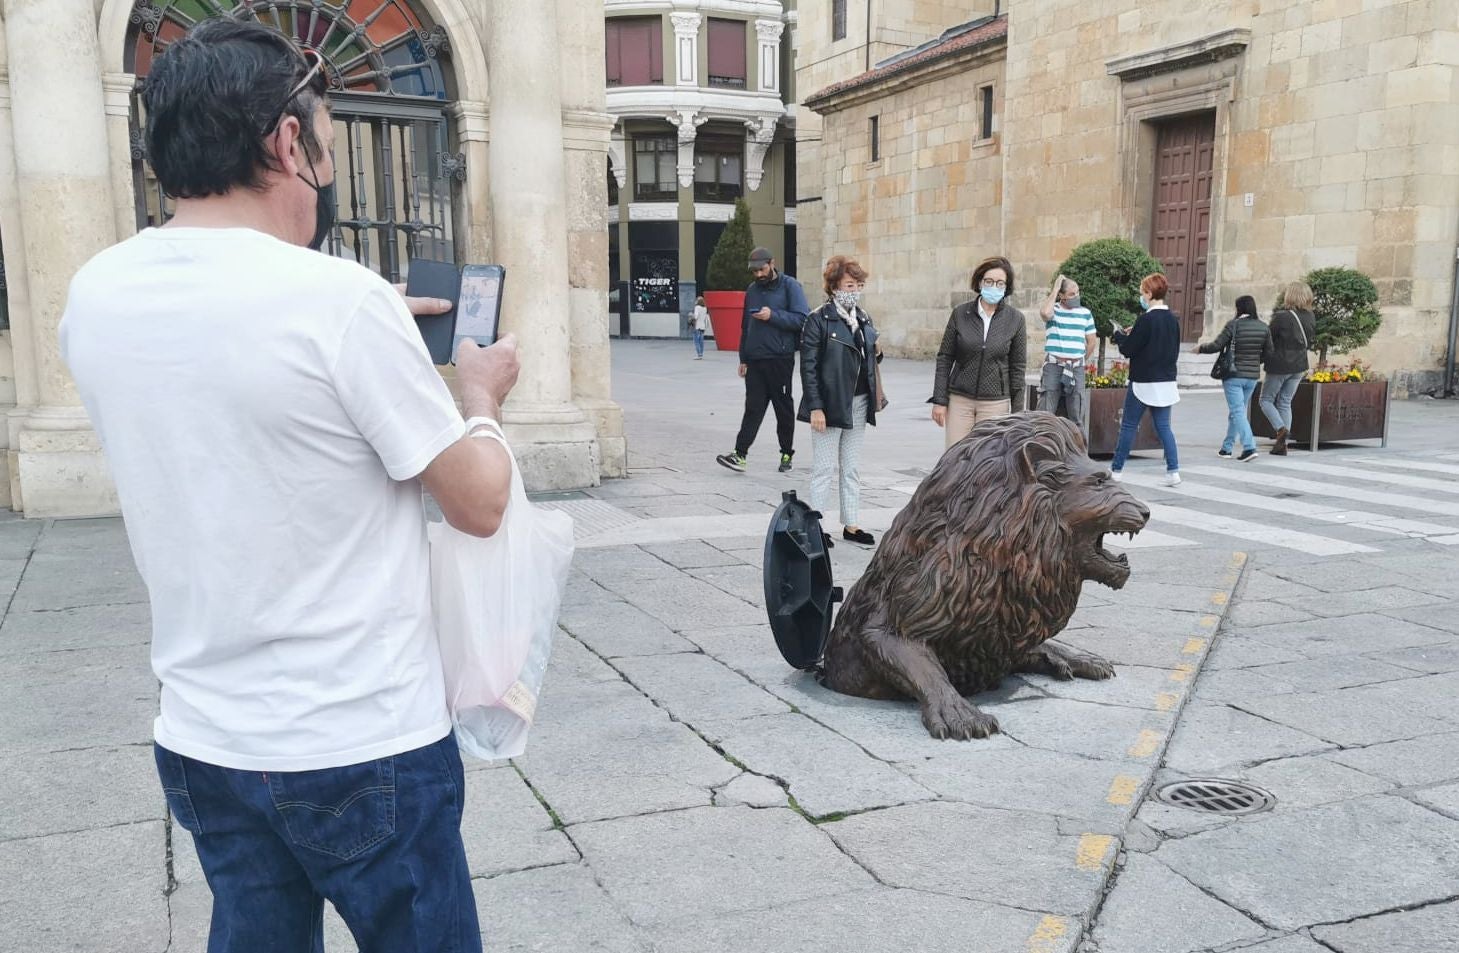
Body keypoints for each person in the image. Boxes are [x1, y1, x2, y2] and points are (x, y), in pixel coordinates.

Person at [58, 21, 517, 953]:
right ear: (284, 143)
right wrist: (479, 397)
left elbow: (227, 362)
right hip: (361, 738)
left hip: (204, 738)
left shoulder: (95, 291)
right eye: (327, 148)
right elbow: (479, 502)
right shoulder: (336, 302)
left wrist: (369, 319)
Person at [799, 255, 883, 547]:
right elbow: (808, 368)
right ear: (834, 286)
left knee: (851, 467)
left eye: (859, 284)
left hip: (859, 401)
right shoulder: (817, 319)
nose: (855, 290)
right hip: (830, 403)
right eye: (850, 284)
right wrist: (816, 407)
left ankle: (852, 524)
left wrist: (876, 351)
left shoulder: (863, 317)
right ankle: (816, 526)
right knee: (823, 469)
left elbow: (867, 358)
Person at [716, 247, 810, 473]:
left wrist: (772, 316)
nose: (758, 274)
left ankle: (786, 453)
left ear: (772, 263)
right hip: (755, 360)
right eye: (754, 271)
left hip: (780, 358)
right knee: (752, 408)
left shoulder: (790, 286)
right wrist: (743, 357)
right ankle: (740, 454)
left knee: (782, 408)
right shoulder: (752, 290)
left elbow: (802, 319)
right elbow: (745, 326)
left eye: (762, 269)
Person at [929, 256, 1027, 449]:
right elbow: (945, 358)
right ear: (980, 282)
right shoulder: (960, 313)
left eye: (1000, 283)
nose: (994, 287)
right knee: (955, 458)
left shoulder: (1015, 319)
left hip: (995, 403)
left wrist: (1017, 413)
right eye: (989, 281)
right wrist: (939, 400)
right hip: (960, 400)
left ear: (1006, 288)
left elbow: (1018, 368)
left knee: (987, 461)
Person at [1109, 273, 1182, 485]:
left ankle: (1116, 470)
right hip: (1166, 381)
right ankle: (1173, 471)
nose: (1141, 296)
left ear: (1149, 294)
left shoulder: (1145, 319)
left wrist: (1121, 336)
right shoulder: (1172, 320)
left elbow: (1129, 349)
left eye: (1143, 292)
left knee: (1129, 426)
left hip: (1143, 381)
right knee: (1164, 428)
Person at [1198, 295, 1272, 462]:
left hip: (1233, 375)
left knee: (1237, 411)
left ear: (1239, 308)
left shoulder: (1233, 325)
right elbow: (1269, 353)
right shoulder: (1263, 327)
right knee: (1237, 411)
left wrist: (1200, 349)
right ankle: (1227, 448)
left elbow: (1216, 345)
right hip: (1252, 376)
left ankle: (1249, 447)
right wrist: (1254, 362)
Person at [1258, 281, 1318, 455]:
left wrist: (1260, 358)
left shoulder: (1281, 316)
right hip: (1299, 365)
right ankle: (1282, 445)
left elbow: (1268, 340)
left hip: (1279, 365)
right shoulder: (1310, 316)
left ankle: (1281, 429)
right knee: (1285, 401)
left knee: (1266, 400)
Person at [1037, 273, 1097, 422]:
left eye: (1077, 292)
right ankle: (1041, 442)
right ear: (1062, 296)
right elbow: (1044, 313)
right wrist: (1056, 288)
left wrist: (1080, 359)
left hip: (1076, 367)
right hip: (1053, 366)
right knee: (1045, 411)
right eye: (1071, 294)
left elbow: (1091, 341)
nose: (1076, 296)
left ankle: (1077, 443)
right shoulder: (1053, 310)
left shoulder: (1085, 313)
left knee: (1077, 411)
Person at [690, 295, 710, 359]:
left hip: (697, 326)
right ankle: (701, 354)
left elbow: (696, 317)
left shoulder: (697, 307)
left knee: (696, 341)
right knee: (701, 341)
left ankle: (698, 355)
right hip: (702, 327)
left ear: (698, 301)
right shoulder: (705, 308)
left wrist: (691, 315)